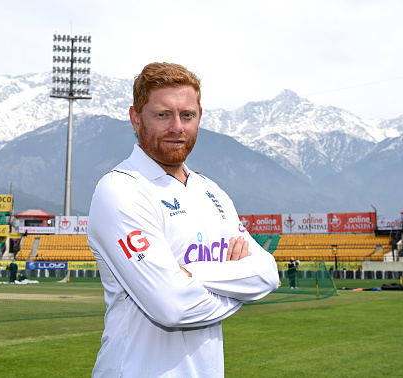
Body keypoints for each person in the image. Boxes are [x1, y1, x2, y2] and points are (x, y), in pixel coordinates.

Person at [87, 62, 279, 377]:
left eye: (187, 115)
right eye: (163, 115)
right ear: (136, 118)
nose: (177, 126)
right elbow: (172, 308)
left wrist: (192, 275)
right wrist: (237, 286)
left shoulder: (212, 192)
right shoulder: (120, 190)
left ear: (199, 117)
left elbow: (267, 273)